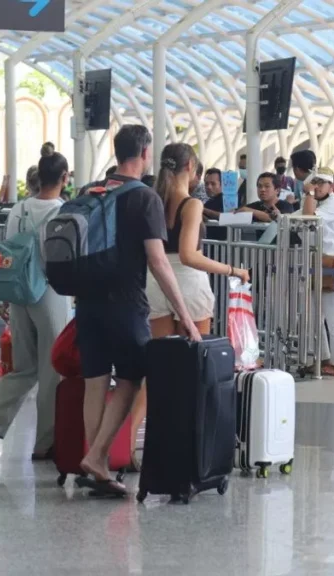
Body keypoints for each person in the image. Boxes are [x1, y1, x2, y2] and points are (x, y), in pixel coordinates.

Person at [76, 125, 200, 496]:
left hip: (87, 302)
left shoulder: (91, 191)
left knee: (95, 381)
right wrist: (187, 318)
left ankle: (92, 459)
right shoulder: (143, 197)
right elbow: (159, 262)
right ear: (145, 153)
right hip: (125, 303)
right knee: (132, 378)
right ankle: (97, 458)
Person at [133, 143, 251, 468]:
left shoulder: (151, 200)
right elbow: (189, 255)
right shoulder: (192, 204)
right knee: (197, 370)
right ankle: (194, 446)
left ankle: (127, 446)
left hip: (155, 282)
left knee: (156, 373)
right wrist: (232, 269)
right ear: (190, 168)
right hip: (188, 283)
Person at [0, 152, 73, 459]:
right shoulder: (63, 212)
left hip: (17, 294)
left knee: (23, 368)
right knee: (51, 370)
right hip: (49, 294)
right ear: (64, 178)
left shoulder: (18, 208)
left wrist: (7, 298)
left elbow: (9, 255)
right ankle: (45, 443)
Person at [302, 168, 334, 377]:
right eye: (314, 182)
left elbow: (306, 217)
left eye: (321, 183)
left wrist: (308, 193)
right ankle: (321, 357)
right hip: (321, 265)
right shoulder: (317, 201)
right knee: (316, 314)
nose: (317, 186)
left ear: (331, 186)